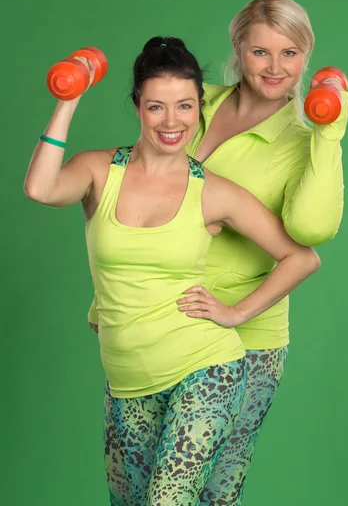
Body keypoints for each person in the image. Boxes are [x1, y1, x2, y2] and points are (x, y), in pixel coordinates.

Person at [24, 36, 320, 506]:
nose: (171, 121)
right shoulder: (99, 170)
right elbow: (40, 188)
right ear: (137, 106)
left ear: (199, 109)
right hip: (126, 380)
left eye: (185, 106)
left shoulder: (213, 192)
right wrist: (68, 99)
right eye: (157, 106)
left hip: (205, 370)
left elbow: (302, 256)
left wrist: (237, 313)